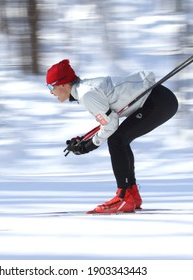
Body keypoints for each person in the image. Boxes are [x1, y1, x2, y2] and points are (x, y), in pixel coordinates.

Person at [46, 59, 178, 214]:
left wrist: (89, 145)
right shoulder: (84, 90)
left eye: (51, 86)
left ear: (63, 84)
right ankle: (131, 193)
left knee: (117, 140)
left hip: (157, 102)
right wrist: (86, 141)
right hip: (159, 99)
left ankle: (124, 196)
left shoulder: (86, 94)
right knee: (120, 139)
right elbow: (110, 120)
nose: (51, 92)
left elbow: (110, 125)